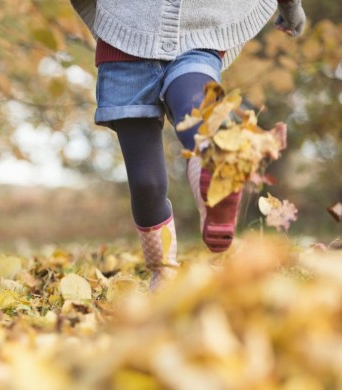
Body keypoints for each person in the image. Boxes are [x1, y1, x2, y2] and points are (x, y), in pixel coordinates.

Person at [70, 0, 305, 289]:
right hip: (125, 40)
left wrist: (290, 5)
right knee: (146, 184)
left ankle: (213, 167)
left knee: (194, 107)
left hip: (198, 31)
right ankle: (163, 270)